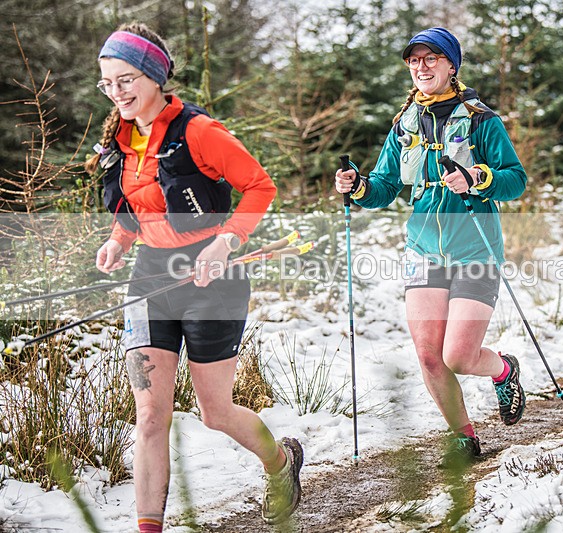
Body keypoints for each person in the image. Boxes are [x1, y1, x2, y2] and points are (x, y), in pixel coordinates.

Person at [85, 23, 301, 530]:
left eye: (126, 80)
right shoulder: (122, 138)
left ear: (156, 77)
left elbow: (259, 186)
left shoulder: (199, 132)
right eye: (108, 83)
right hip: (150, 277)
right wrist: (119, 240)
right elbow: (135, 203)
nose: (117, 93)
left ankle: (281, 462)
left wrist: (228, 241)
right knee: (149, 416)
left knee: (215, 411)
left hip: (213, 276)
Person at [334, 27, 527, 465]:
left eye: (431, 59)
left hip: (475, 248)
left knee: (457, 355)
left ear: (451, 65)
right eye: (414, 60)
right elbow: (384, 185)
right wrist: (358, 186)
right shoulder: (405, 124)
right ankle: (464, 437)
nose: (421, 67)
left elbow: (515, 180)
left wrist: (479, 178)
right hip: (423, 249)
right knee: (428, 354)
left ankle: (503, 369)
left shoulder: (481, 119)